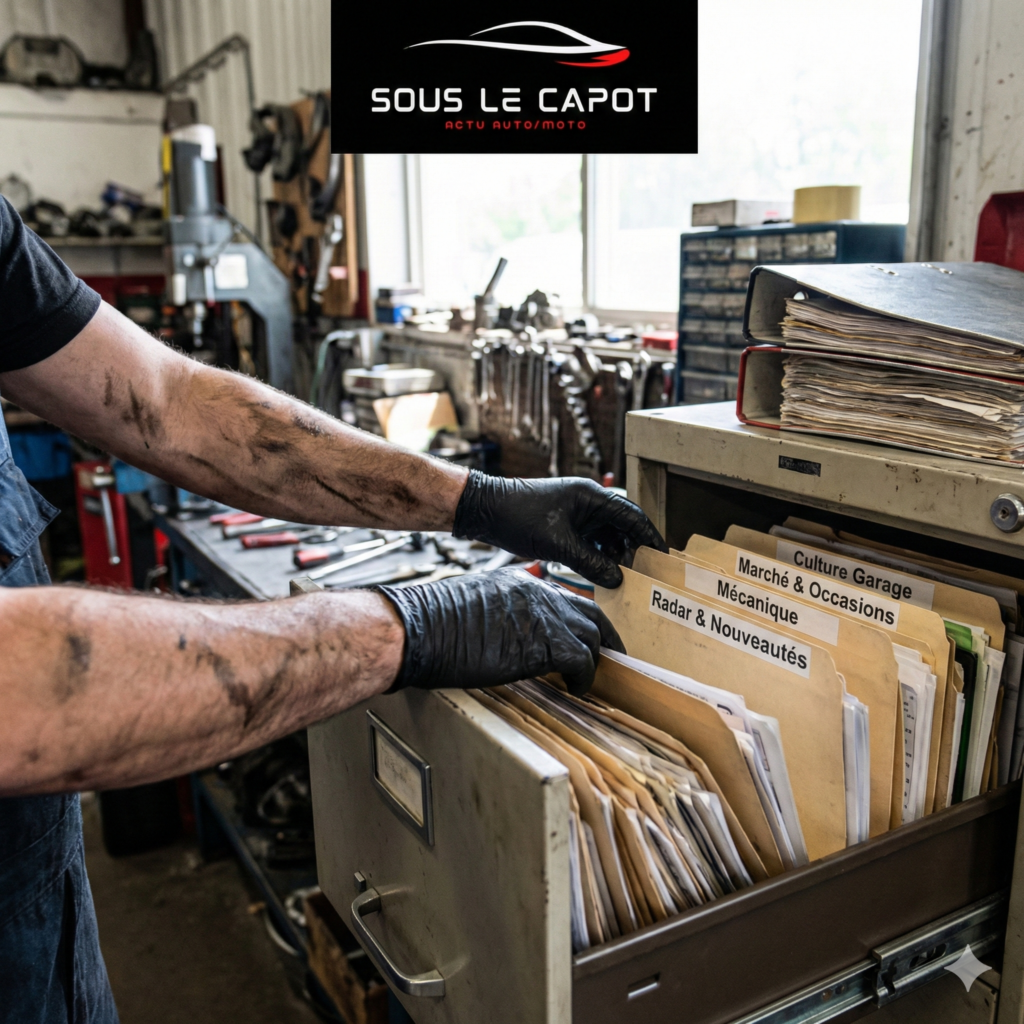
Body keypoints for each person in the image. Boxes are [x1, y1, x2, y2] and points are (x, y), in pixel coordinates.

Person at [0, 195, 666, 1022]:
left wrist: (475, 498)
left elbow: (166, 398)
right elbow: (19, 691)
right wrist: (408, 626)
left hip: (39, 879)